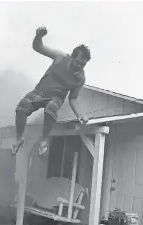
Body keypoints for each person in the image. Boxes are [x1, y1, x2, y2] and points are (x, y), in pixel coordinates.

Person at [11, 26, 91, 156]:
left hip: (56, 98)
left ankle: (43, 141)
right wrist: (39, 37)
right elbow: (38, 47)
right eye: (78, 62)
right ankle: (18, 139)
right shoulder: (60, 57)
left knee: (51, 107)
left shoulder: (80, 78)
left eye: (83, 65)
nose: (80, 67)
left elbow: (73, 98)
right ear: (71, 57)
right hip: (39, 92)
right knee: (23, 105)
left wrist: (80, 115)